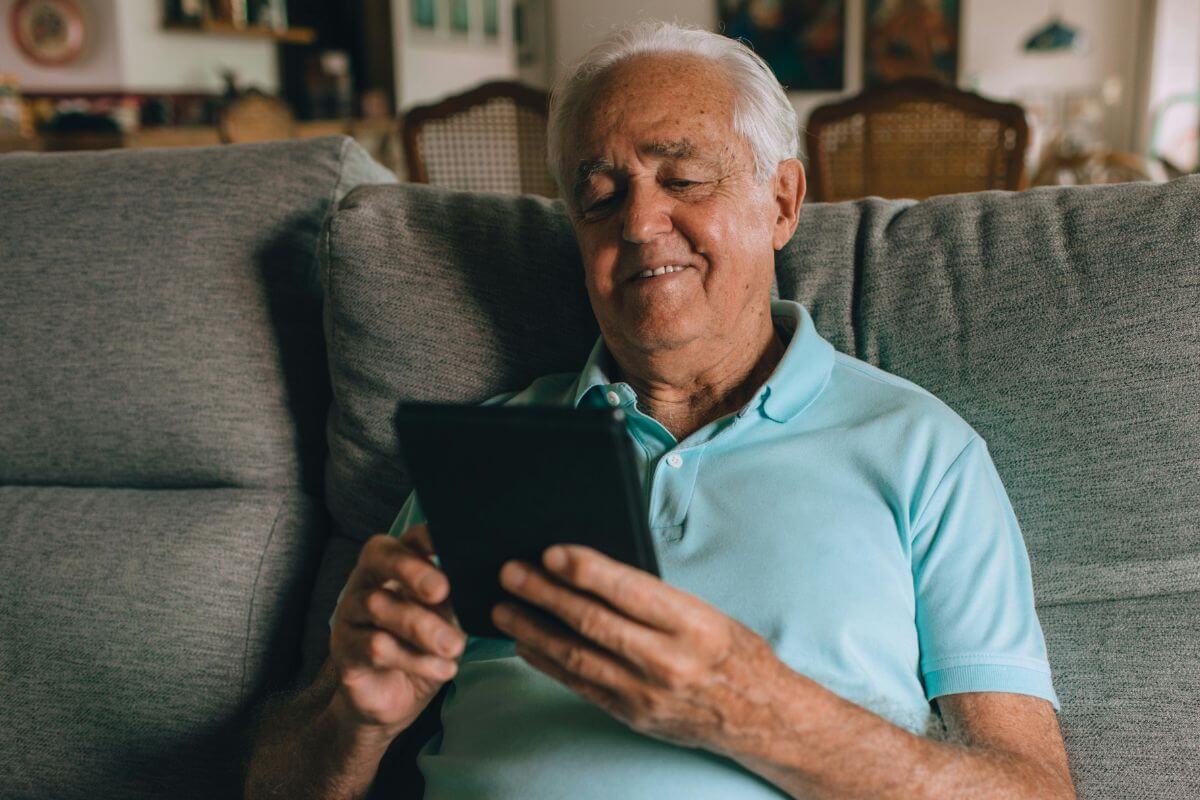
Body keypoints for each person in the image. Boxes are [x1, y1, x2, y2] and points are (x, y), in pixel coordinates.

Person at [244, 21, 1075, 800]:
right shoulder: (488, 449)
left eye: (683, 178)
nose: (641, 223)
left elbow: (1033, 787)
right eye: (600, 197)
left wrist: (752, 711)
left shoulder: (919, 448)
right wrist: (350, 715)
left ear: (782, 203)